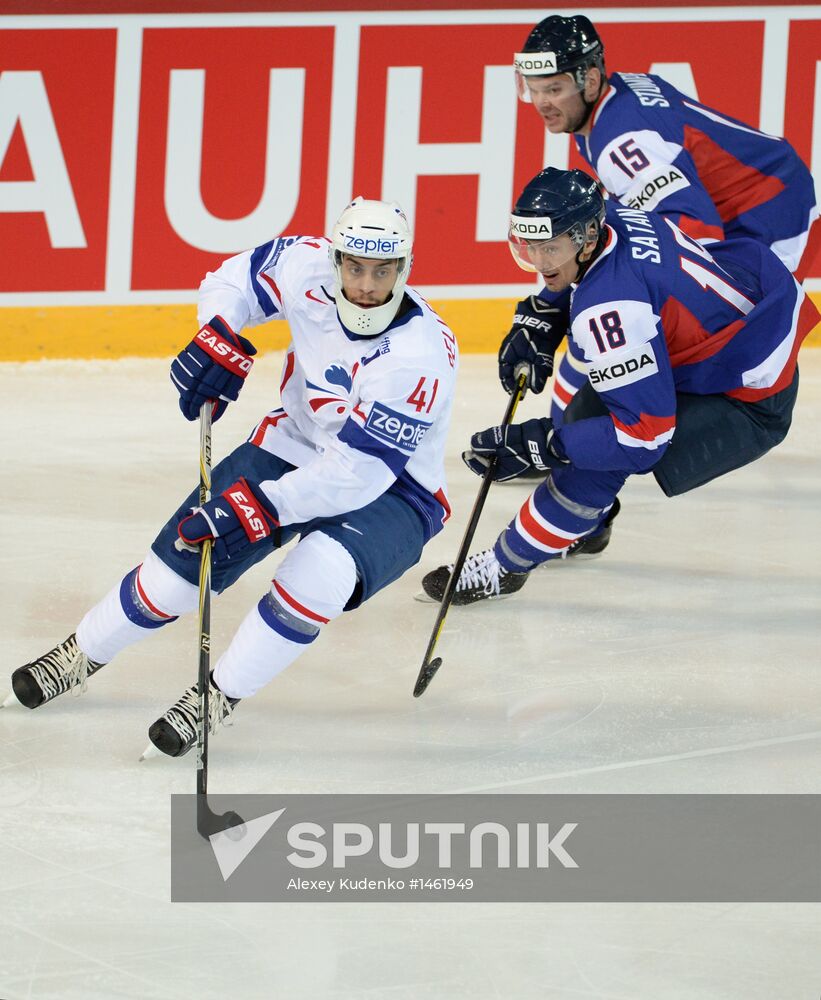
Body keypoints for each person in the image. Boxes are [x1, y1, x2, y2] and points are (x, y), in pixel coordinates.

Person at [5, 197, 458, 756]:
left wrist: (262, 507)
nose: (367, 284)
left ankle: (216, 696)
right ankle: (81, 652)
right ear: (337, 259)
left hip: (394, 490)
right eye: (356, 267)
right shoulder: (305, 265)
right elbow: (231, 280)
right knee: (176, 574)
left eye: (382, 270)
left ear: (403, 270)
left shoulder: (419, 356)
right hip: (295, 442)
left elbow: (357, 474)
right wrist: (217, 333)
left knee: (316, 574)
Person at [494, 13, 819, 552]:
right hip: (764, 195)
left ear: (590, 80)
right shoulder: (607, 104)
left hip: (763, 220)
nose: (542, 102)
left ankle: (590, 456)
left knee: (638, 330)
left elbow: (685, 230)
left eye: (553, 88)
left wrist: (573, 293)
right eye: (534, 88)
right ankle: (577, 448)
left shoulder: (623, 140)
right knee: (604, 325)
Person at [418, 167, 818, 605]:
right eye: (530, 246)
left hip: (744, 397)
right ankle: (585, 527)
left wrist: (542, 444)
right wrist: (543, 312)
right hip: (722, 346)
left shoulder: (609, 310)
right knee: (583, 424)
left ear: (587, 237)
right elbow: (602, 276)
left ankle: (505, 566)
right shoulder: (616, 219)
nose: (539, 261)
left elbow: (644, 436)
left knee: (593, 456)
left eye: (550, 248)